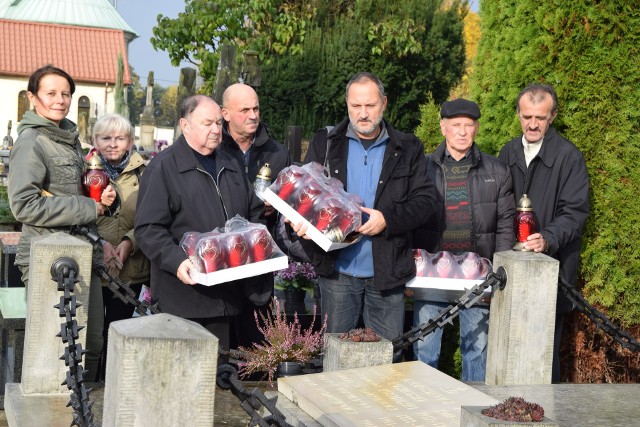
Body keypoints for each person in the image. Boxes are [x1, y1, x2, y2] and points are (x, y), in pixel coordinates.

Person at [291, 72, 438, 357]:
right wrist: (298, 220)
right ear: (347, 105)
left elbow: (426, 201)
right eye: (355, 106)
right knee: (335, 357)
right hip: (338, 272)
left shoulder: (408, 148)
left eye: (370, 105)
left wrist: (388, 220)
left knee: (385, 360)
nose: (363, 113)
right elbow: (306, 193)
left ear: (384, 103)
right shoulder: (327, 142)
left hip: (386, 273)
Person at [8, 65, 117, 380]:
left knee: (92, 342)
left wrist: (101, 198)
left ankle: (86, 413)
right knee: (56, 351)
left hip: (84, 251)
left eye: (66, 93)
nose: (60, 100)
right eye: (51, 93)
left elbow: (72, 189)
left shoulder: (69, 137)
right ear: (33, 98)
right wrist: (87, 208)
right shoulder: (32, 141)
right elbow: (24, 206)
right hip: (49, 256)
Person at [134, 95, 265, 354]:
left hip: (229, 295)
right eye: (208, 123)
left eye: (218, 122)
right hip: (186, 299)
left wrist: (258, 244)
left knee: (221, 378)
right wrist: (176, 260)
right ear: (185, 125)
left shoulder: (230, 162)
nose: (216, 129)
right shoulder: (164, 168)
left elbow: (254, 212)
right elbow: (148, 228)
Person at [412, 98, 515, 381]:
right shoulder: (422, 170)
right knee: (425, 348)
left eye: (468, 125)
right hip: (432, 275)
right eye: (455, 125)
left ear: (476, 128)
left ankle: (473, 414)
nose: (461, 131)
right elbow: (409, 219)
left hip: (477, 277)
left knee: (477, 351)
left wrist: (498, 272)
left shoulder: (497, 171)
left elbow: (506, 225)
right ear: (443, 127)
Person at [498, 83, 589, 382]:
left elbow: (575, 213)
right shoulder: (507, 151)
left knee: (542, 358)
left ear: (552, 116)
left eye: (540, 117)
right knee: (507, 351)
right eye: (526, 117)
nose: (532, 124)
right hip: (510, 270)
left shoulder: (570, 157)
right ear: (518, 115)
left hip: (551, 272)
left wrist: (547, 238)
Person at [219, 83, 291, 348]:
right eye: (245, 110)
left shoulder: (278, 153)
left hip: (259, 263)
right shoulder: (214, 150)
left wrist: (277, 208)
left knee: (255, 339)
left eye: (256, 108)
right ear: (225, 114)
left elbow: (291, 204)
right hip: (222, 259)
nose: (253, 115)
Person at [92, 113, 149, 379]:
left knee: (118, 331)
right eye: (106, 138)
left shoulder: (146, 173)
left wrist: (130, 241)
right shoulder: (85, 171)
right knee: (92, 337)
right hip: (94, 266)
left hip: (130, 268)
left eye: (120, 138)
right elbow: (75, 215)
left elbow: (154, 218)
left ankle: (113, 386)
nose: (113, 144)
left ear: (130, 141)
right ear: (95, 140)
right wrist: (99, 243)